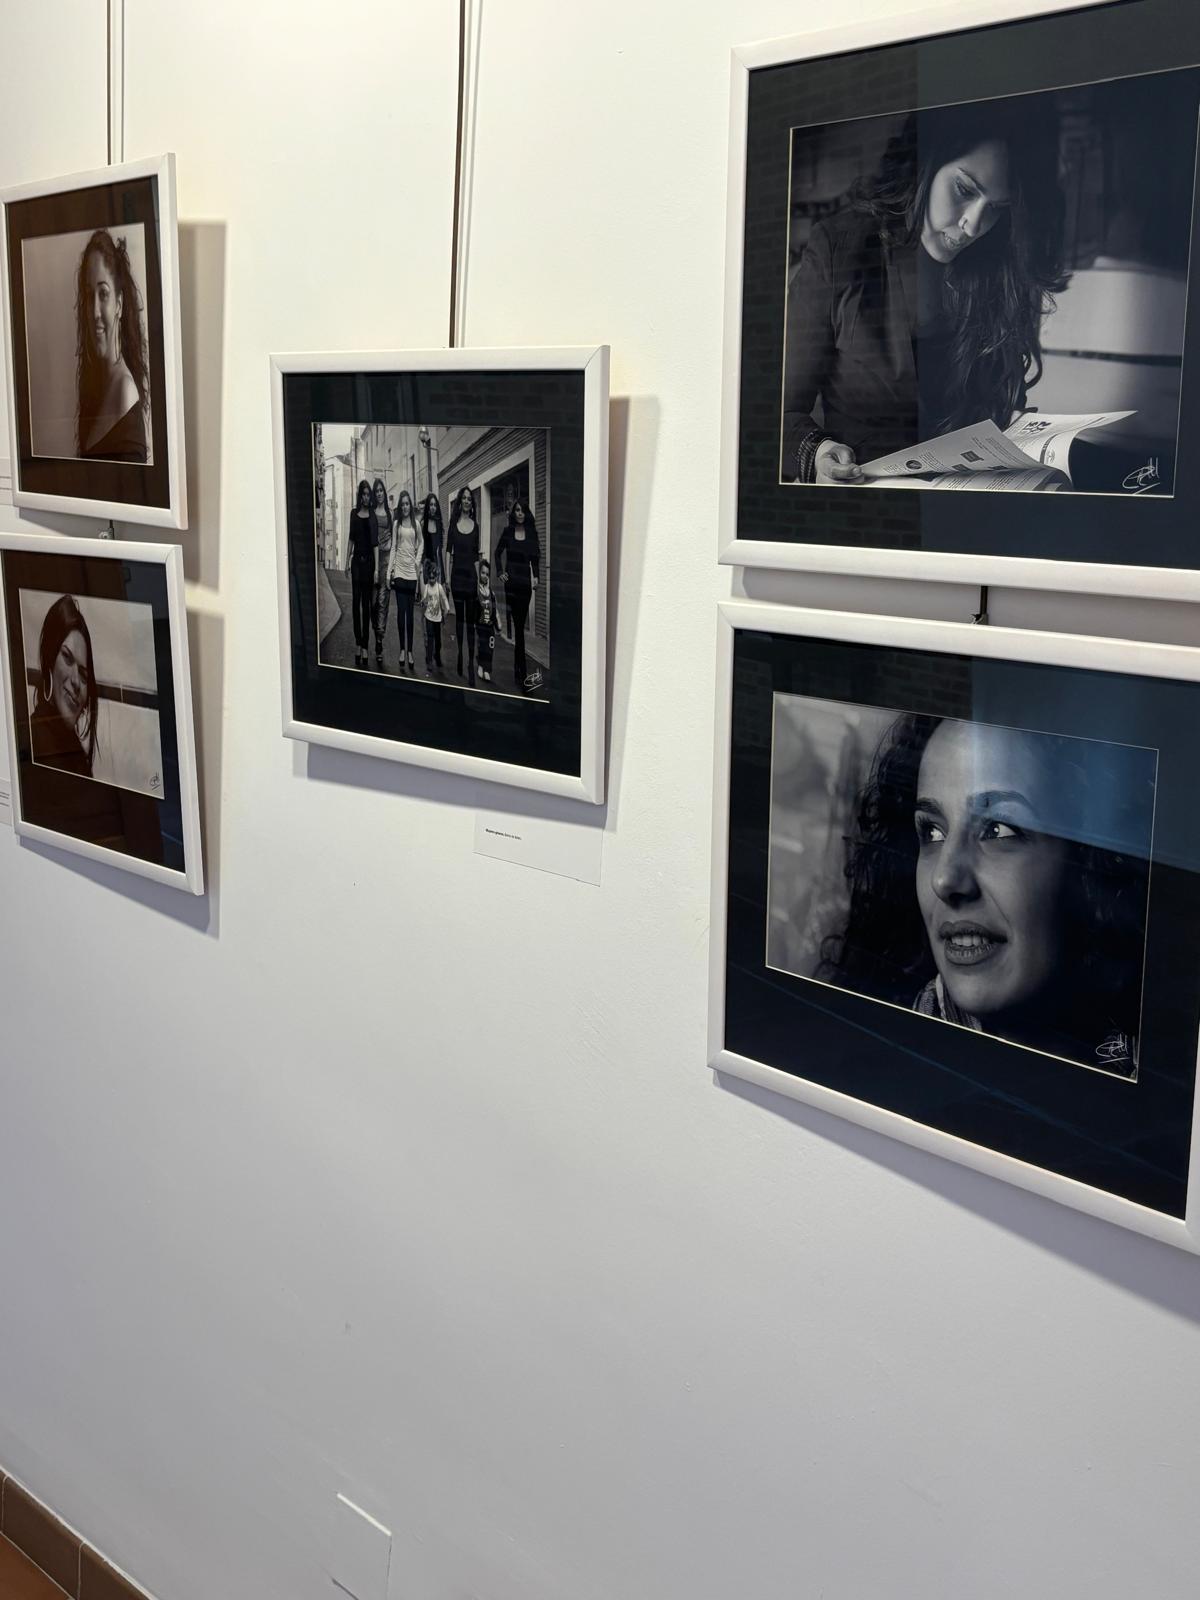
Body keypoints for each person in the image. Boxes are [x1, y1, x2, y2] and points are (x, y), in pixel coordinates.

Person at [818, 712, 1151, 1076]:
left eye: (998, 829)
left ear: (1090, 863)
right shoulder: (866, 1064)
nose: (945, 879)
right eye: (931, 832)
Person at [782, 99, 1069, 483]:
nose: (973, 225)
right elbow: (778, 412)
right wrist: (816, 452)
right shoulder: (839, 247)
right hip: (868, 503)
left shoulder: (1000, 266)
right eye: (964, 189)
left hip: (966, 499)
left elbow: (998, 413)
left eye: (998, 207)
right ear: (926, 162)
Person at [75, 230, 151, 464]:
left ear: (119, 304)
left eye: (103, 294)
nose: (94, 311)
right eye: (89, 295)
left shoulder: (125, 393)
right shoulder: (96, 387)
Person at [29, 595, 98, 777]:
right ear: (50, 659)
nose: (76, 681)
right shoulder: (28, 740)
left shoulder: (76, 757)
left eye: (84, 675)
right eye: (67, 658)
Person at [494, 498, 541, 689]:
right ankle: (521, 670)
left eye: (522, 510)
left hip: (525, 586)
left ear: (526, 513)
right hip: (511, 585)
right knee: (519, 626)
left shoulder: (531, 534)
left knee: (520, 627)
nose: (519, 513)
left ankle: (518, 667)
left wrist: (536, 577)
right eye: (517, 510)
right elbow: (497, 553)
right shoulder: (507, 532)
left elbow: (535, 558)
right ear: (513, 513)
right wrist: (500, 573)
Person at [446, 485, 481, 685]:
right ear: (460, 502)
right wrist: (448, 579)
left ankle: (470, 663)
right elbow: (448, 551)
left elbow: (476, 556)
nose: (467, 501)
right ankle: (460, 654)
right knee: (460, 620)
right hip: (457, 578)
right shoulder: (453, 525)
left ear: (471, 503)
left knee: (471, 623)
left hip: (471, 579)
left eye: (469, 499)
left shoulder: (475, 527)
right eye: (464, 498)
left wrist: (479, 581)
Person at [386, 488, 421, 671]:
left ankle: (410, 652)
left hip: (412, 574)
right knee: (401, 613)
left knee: (410, 615)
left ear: (411, 505)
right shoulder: (397, 524)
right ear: (400, 506)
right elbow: (393, 548)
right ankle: (401, 649)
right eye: (403, 504)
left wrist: (417, 560)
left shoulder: (416, 524)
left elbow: (421, 543)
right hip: (399, 572)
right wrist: (389, 572)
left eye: (408, 503)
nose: (405, 506)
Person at [345, 479, 377, 667]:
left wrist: (375, 572)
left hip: (368, 564)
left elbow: (375, 543)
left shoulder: (372, 515)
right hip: (356, 562)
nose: (366, 497)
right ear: (360, 496)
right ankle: (358, 642)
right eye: (363, 494)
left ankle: (365, 645)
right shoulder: (353, 514)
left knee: (366, 605)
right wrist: (347, 562)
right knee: (355, 604)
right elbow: (350, 539)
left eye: (368, 494)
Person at [369, 479, 393, 666]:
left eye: (380, 490)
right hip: (372, 562)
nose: (378, 493)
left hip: (386, 563)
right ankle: (377, 630)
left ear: (384, 493)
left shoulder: (390, 514)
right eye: (376, 491)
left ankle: (379, 640)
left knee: (383, 602)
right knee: (373, 603)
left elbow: (393, 538)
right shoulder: (371, 513)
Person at [417, 558, 450, 675]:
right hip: (429, 616)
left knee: (438, 640)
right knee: (430, 638)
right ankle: (430, 660)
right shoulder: (427, 587)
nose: (432, 580)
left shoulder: (439, 587)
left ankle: (437, 655)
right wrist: (422, 601)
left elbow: (444, 598)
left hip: (438, 618)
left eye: (434, 577)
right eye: (430, 577)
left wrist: (447, 608)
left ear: (437, 577)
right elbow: (424, 597)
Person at [474, 559, 501, 684]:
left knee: (490, 647)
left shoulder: (491, 592)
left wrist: (498, 625)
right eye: (483, 573)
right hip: (480, 624)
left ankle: (487, 670)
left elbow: (495, 610)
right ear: (479, 573)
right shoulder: (477, 591)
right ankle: (480, 665)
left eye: (487, 574)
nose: (485, 576)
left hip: (489, 625)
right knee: (482, 645)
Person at [420, 492, 446, 583]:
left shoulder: (439, 523)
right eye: (431, 504)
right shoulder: (423, 524)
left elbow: (439, 548)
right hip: (427, 566)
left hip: (438, 566)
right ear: (427, 506)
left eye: (435, 505)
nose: (433, 507)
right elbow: (421, 548)